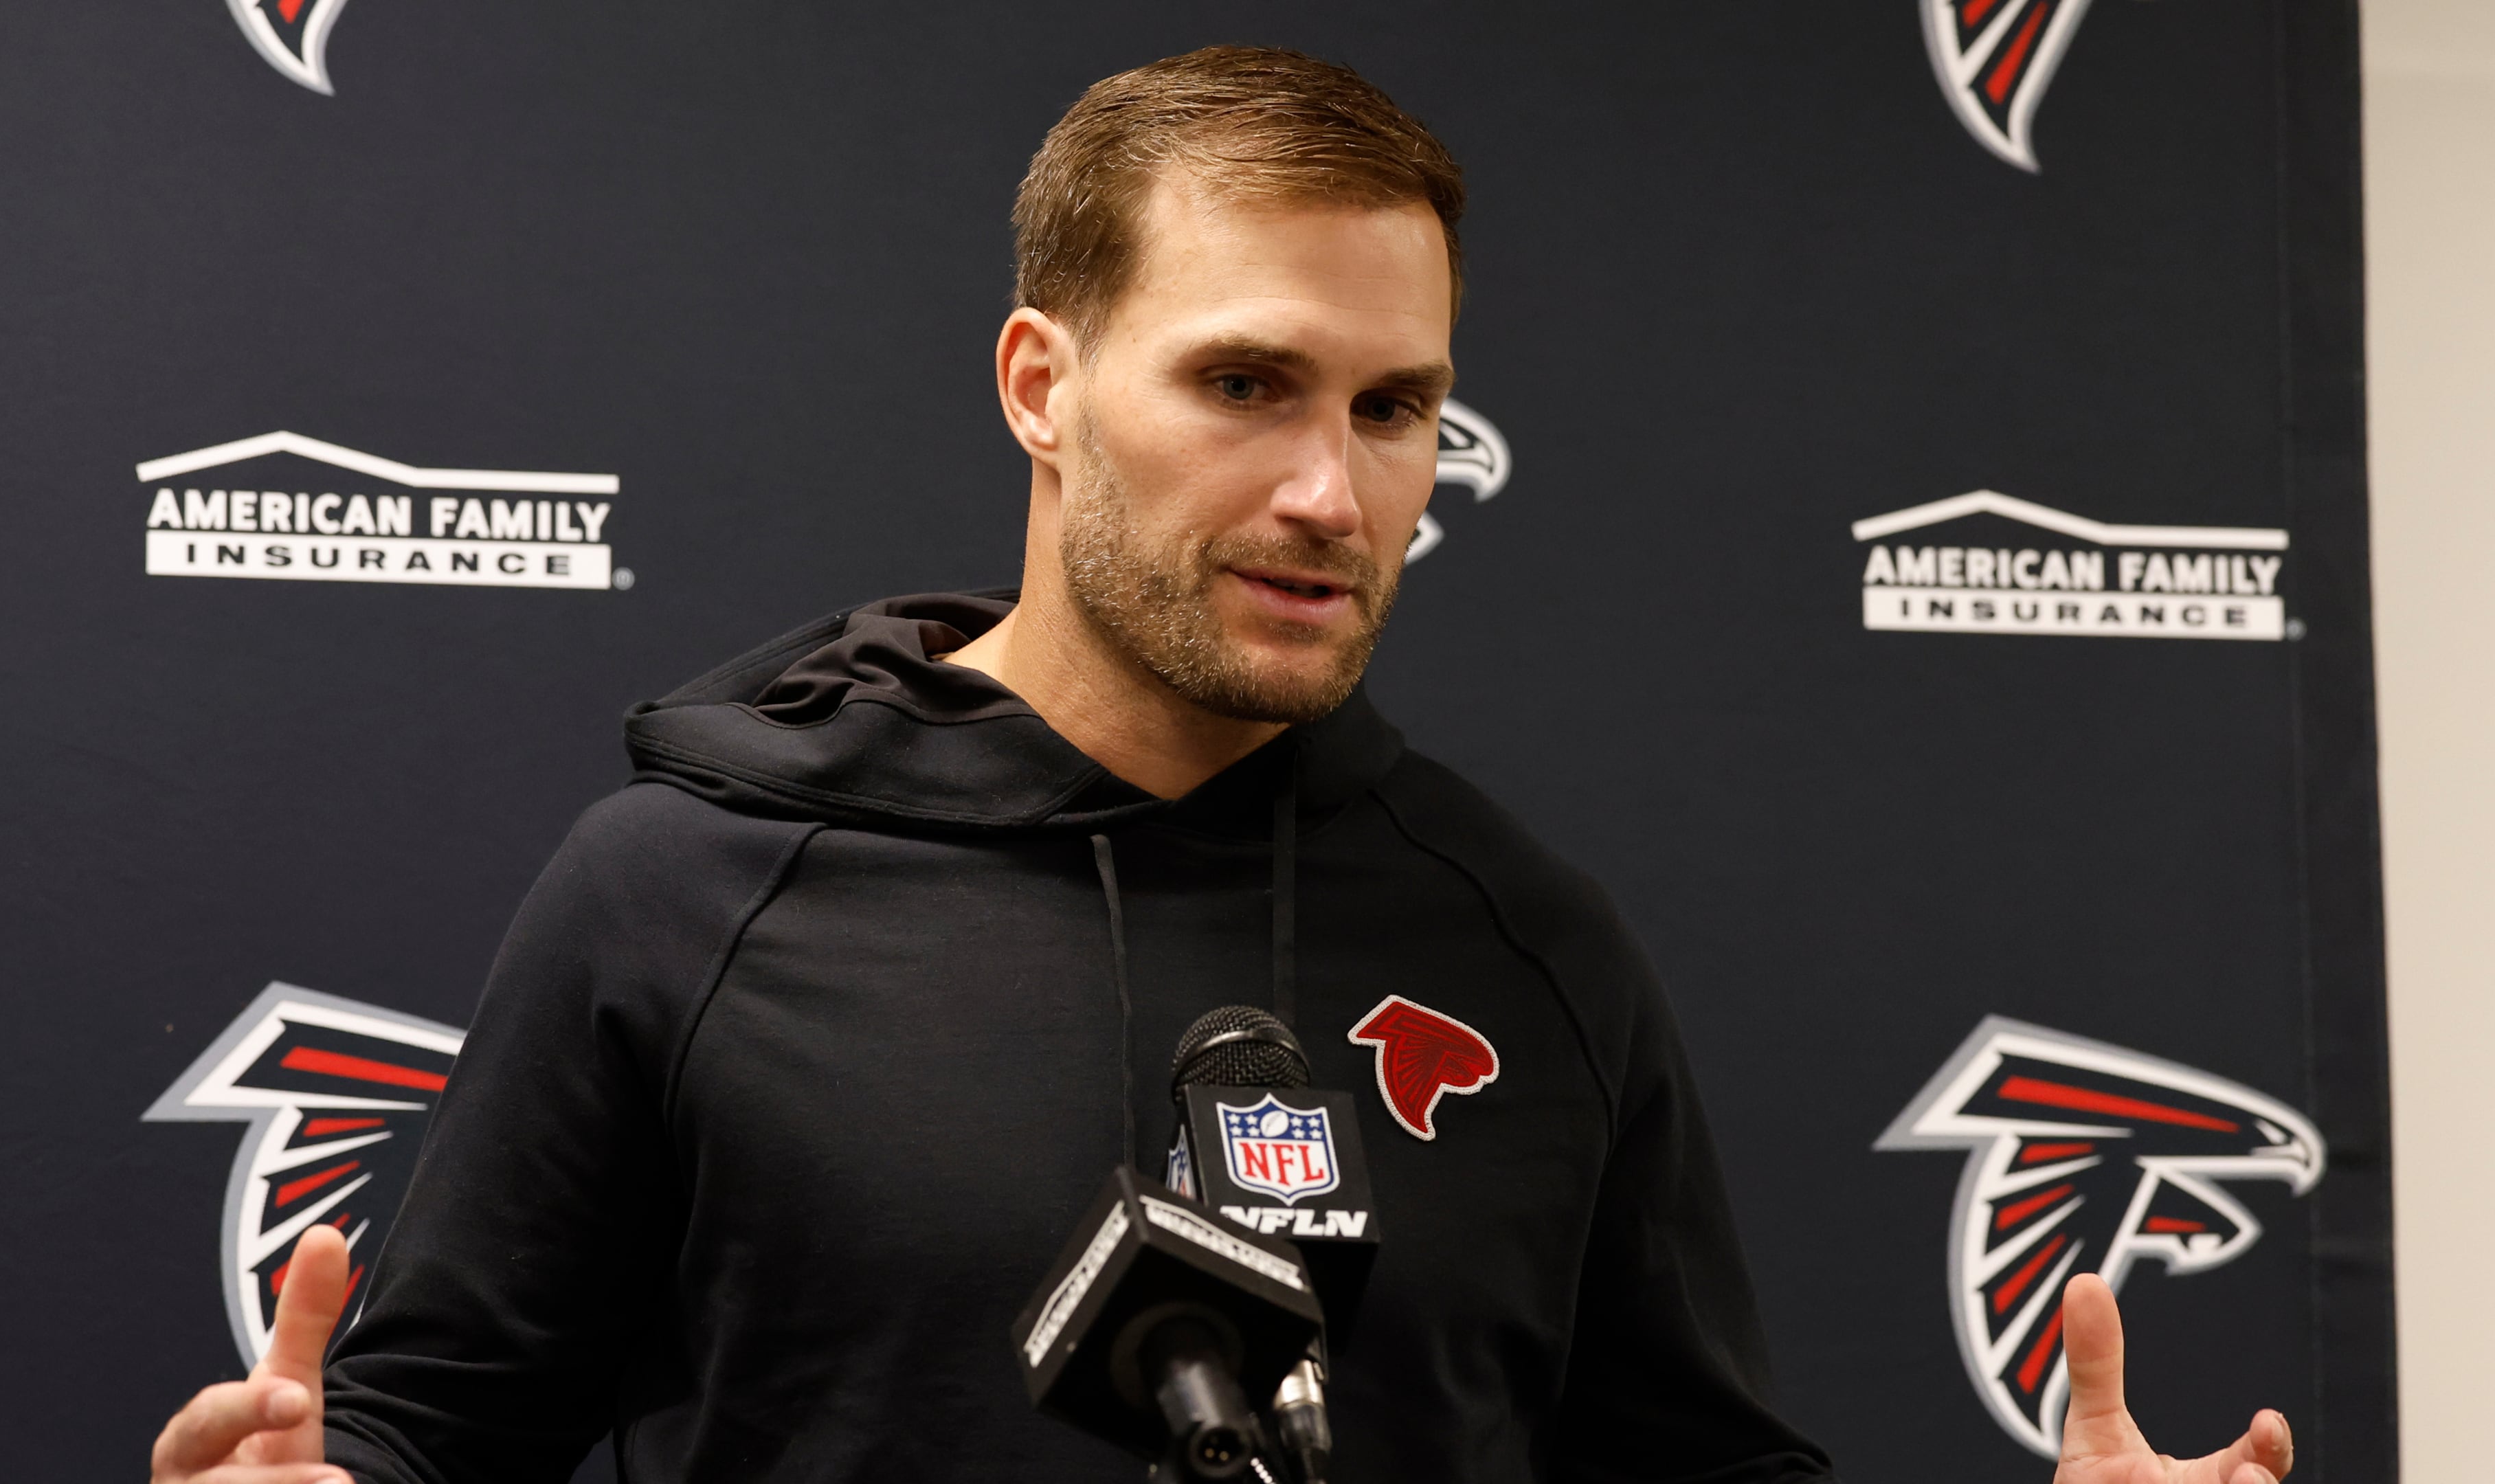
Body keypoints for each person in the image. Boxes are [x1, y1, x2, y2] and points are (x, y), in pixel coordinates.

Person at [148, 46, 2297, 1484]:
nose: (1331, 491)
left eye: (1391, 408)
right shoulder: (685, 892)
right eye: (1248, 381)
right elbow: (422, 1433)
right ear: (1040, 384)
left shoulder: (1530, 943)